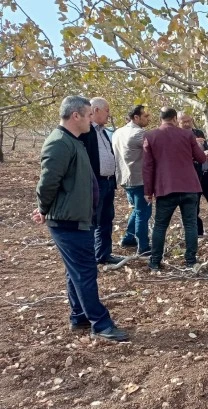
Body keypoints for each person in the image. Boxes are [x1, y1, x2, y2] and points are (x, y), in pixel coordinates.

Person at [33, 95, 129, 342]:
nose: (91, 119)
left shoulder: (74, 141)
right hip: (67, 221)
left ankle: (79, 316)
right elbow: (47, 183)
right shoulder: (58, 143)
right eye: (88, 115)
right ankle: (101, 323)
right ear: (75, 115)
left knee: (75, 271)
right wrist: (43, 209)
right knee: (85, 272)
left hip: (77, 218)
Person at [143, 107, 208, 270]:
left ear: (161, 119)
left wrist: (148, 191)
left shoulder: (151, 136)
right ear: (174, 119)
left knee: (160, 225)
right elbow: (200, 158)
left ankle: (155, 261)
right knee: (190, 224)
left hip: (165, 187)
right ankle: (190, 260)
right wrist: (207, 153)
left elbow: (147, 166)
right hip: (189, 186)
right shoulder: (187, 134)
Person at [78, 97, 124, 265]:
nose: (108, 114)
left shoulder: (103, 131)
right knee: (91, 221)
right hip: (94, 183)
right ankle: (88, 258)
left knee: (106, 219)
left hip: (108, 182)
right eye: (107, 110)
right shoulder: (86, 132)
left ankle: (103, 255)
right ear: (96, 110)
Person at [112, 105, 152, 255]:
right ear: (136, 117)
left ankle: (128, 238)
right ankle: (143, 247)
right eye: (146, 116)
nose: (148, 119)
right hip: (139, 179)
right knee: (143, 213)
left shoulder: (118, 132)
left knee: (137, 209)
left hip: (124, 178)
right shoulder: (139, 134)